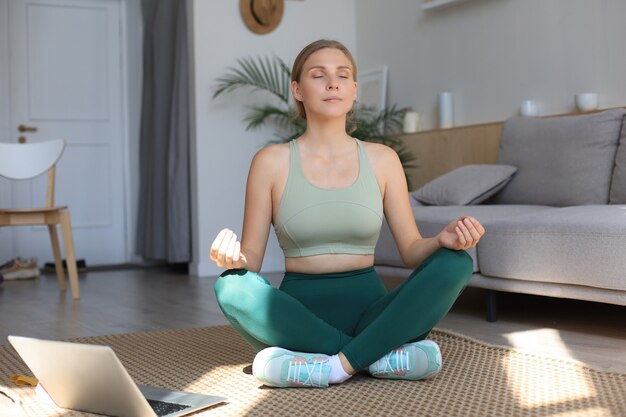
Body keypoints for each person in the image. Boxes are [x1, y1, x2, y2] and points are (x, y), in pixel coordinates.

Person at [210, 39, 485, 388]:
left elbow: (412, 249)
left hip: (372, 313)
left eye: (343, 75)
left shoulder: (383, 159)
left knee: (457, 262)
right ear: (298, 89)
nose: (332, 83)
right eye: (318, 75)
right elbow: (252, 259)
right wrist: (231, 257)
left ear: (354, 90)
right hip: (298, 317)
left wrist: (442, 241)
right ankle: (374, 357)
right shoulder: (270, 162)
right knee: (230, 287)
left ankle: (328, 366)